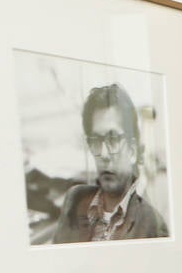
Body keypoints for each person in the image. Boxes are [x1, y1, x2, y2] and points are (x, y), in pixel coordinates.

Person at [49, 83, 169, 243]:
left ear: (132, 150)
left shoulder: (151, 225)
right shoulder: (74, 200)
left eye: (113, 140)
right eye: (96, 141)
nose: (104, 154)